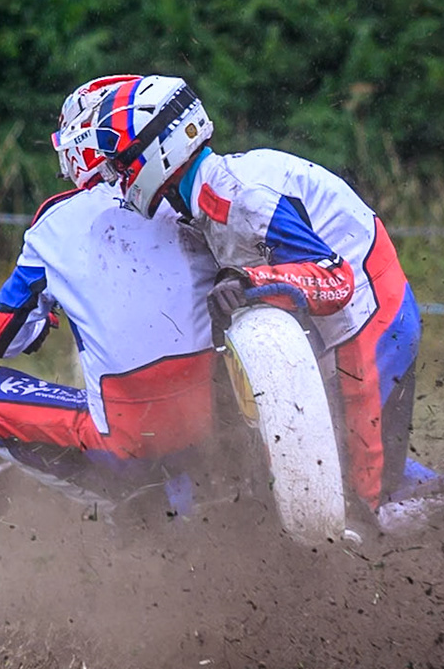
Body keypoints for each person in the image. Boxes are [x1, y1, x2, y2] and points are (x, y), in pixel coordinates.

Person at [53, 74, 421, 514]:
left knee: (369, 508)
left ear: (154, 154)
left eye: (119, 164)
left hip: (370, 322)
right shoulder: (204, 193)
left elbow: (335, 280)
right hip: (349, 327)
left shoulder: (235, 199)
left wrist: (251, 282)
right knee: (343, 481)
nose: (115, 177)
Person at [0, 76, 219, 489]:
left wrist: (43, 320)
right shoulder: (186, 195)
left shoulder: (55, 222)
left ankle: (111, 503)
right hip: (214, 424)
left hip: (128, 439)